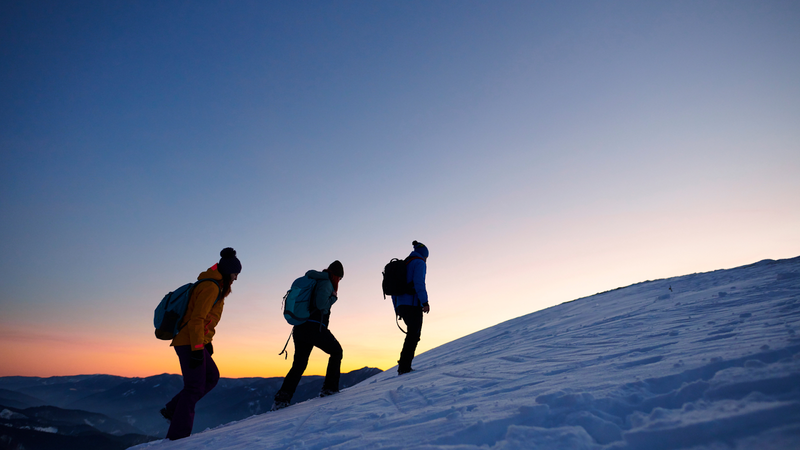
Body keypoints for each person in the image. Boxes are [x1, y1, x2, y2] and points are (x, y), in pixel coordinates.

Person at [161, 247, 242, 440]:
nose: (236, 278)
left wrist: (206, 342)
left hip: (195, 340)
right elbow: (197, 319)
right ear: (227, 271)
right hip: (189, 342)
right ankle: (178, 436)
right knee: (194, 387)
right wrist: (198, 348)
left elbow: (204, 320)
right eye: (235, 274)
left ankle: (173, 409)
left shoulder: (215, 286)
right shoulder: (211, 287)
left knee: (211, 377)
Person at [272, 261, 344, 411]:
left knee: (299, 365)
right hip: (314, 327)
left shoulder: (314, 279)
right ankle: (329, 389)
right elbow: (320, 304)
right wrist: (334, 297)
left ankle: (282, 399)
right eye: (340, 278)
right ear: (336, 275)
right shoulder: (326, 282)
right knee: (336, 351)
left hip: (300, 328)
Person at [392, 241, 429, 375]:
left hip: (401, 305)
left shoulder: (404, 264)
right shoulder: (419, 262)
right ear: (424, 255)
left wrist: (397, 308)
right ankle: (404, 366)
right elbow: (419, 283)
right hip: (413, 304)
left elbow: (395, 291)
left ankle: (404, 364)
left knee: (411, 334)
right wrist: (425, 302)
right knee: (414, 334)